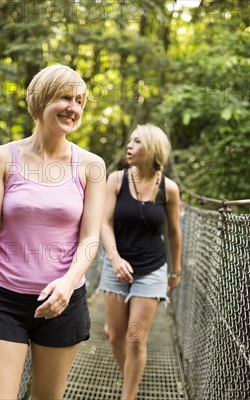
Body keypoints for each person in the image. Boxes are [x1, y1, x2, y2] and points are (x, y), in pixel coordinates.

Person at [0, 64, 106, 399]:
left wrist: (67, 282)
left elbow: (90, 238)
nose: (74, 108)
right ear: (41, 100)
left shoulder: (92, 165)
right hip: (4, 301)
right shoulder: (1, 158)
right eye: (65, 97)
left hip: (63, 301)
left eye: (80, 101)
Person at [98, 124, 182, 399]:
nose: (129, 146)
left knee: (135, 340)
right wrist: (115, 258)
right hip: (115, 265)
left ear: (152, 149)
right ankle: (131, 378)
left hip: (152, 270)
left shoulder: (169, 189)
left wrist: (176, 270)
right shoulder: (116, 180)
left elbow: (173, 232)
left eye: (137, 141)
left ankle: (128, 395)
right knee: (116, 337)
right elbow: (105, 223)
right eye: (129, 141)